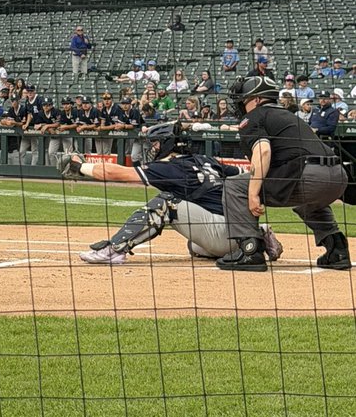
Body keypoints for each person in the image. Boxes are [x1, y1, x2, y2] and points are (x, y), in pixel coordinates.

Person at [53, 123, 282, 266]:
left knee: (167, 203)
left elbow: (118, 173)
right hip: (239, 231)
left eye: (155, 143)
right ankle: (258, 237)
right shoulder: (207, 161)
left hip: (221, 234)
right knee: (194, 247)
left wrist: (80, 167)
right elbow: (248, 175)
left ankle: (114, 250)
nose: (152, 148)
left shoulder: (170, 166)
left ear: (166, 144)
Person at [220, 75, 351, 271]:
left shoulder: (254, 116)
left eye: (244, 99)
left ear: (257, 99)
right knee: (307, 202)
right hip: (338, 177)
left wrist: (253, 193)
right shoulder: (289, 116)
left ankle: (250, 251)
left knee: (234, 185)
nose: (240, 104)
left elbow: (263, 151)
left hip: (308, 175)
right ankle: (337, 249)